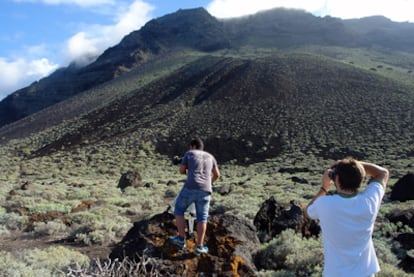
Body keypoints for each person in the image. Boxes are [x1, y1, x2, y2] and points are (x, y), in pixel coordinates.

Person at [306, 158, 389, 277]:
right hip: (365, 273)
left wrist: (324, 187)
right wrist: (356, 167)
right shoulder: (369, 201)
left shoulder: (325, 204)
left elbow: (308, 212)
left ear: (337, 179)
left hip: (335, 273)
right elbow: (383, 173)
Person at [170, 138, 220, 254]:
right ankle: (200, 246)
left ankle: (181, 239)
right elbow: (217, 174)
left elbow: (182, 171)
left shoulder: (189, 153)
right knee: (202, 218)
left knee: (179, 209)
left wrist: (190, 171)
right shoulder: (210, 156)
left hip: (191, 187)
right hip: (206, 190)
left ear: (193, 146)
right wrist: (210, 182)